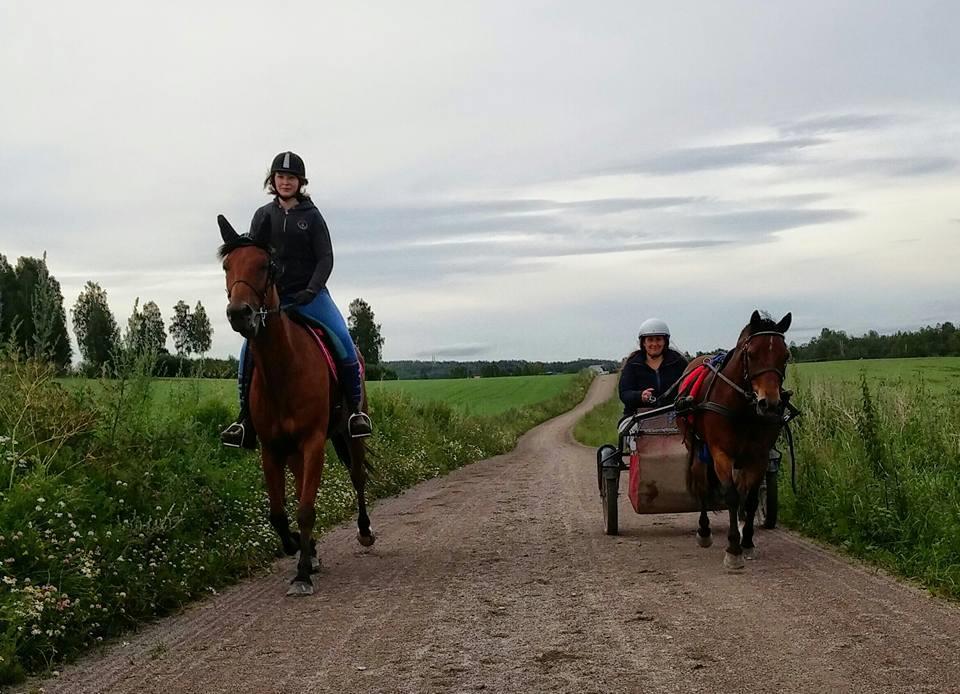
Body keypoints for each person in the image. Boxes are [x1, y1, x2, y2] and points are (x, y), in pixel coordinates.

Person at [220, 151, 373, 447]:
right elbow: (255, 257)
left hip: (310, 295)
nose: (285, 182)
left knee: (343, 340)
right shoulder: (263, 215)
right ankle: (244, 419)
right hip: (273, 300)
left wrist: (312, 290)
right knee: (247, 353)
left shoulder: (312, 217)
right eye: (281, 177)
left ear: (300, 182)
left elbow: (325, 258)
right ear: (273, 180)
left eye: (291, 178)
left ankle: (355, 413)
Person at [618, 318, 688, 415]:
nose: (654, 344)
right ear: (643, 342)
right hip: (638, 416)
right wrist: (640, 396)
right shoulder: (632, 364)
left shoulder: (678, 362)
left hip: (674, 415)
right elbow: (624, 393)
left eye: (658, 339)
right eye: (650, 340)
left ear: (665, 341)